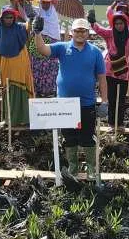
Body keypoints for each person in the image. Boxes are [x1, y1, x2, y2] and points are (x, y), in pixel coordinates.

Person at [31, 17, 109, 180]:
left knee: (87, 137)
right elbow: (42, 49)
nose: (80, 33)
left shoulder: (95, 52)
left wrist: (105, 101)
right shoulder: (62, 47)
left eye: (83, 31)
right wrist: (37, 33)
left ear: (88, 33)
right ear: (72, 32)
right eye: (77, 31)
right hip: (65, 105)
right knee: (69, 137)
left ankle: (91, 169)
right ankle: (73, 168)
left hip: (87, 103)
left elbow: (102, 78)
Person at [89, 8, 129, 131]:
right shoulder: (109, 33)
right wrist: (92, 21)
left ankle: (119, 124)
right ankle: (111, 124)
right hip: (109, 71)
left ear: (125, 23)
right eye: (116, 24)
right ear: (113, 24)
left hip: (124, 72)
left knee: (121, 99)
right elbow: (98, 30)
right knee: (111, 98)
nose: (119, 26)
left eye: (121, 23)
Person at [0, 5, 34, 129]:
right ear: (2, 19)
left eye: (11, 17)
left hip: (21, 64)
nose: (8, 20)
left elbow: (29, 27)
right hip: (6, 66)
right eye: (6, 17)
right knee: (8, 91)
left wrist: (30, 18)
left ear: (14, 18)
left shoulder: (20, 28)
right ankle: (9, 119)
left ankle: (26, 119)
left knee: (22, 90)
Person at [28, 0, 62, 97]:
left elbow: (54, 31)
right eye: (43, 2)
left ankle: (50, 92)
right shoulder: (37, 11)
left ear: (51, 3)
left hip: (52, 42)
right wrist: (27, 4)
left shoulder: (54, 13)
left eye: (47, 2)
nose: (45, 4)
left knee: (51, 66)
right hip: (39, 41)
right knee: (37, 65)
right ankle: (37, 91)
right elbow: (28, 12)